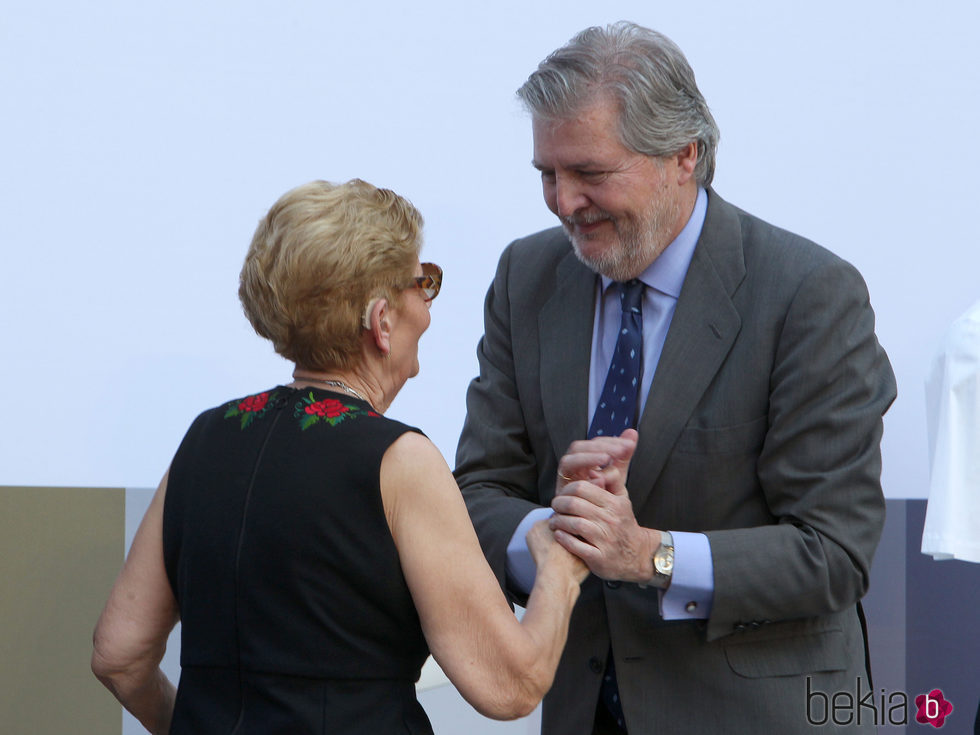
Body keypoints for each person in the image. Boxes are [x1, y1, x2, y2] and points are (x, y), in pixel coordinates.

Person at [455, 22, 897, 735]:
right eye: (547, 173)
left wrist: (650, 554)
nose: (565, 201)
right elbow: (476, 494)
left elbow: (833, 551)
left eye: (591, 173)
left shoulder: (808, 295)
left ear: (683, 155)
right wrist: (556, 530)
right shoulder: (525, 278)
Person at [91, 178, 597, 734]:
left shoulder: (205, 438)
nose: (427, 308)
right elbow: (509, 684)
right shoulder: (399, 460)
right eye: (421, 284)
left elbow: (119, 655)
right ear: (381, 322)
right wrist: (558, 570)